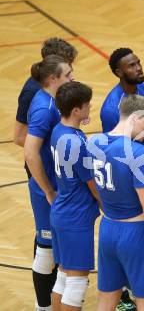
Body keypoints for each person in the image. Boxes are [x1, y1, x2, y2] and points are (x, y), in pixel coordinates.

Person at [88, 95, 144, 311]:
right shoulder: (137, 153)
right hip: (137, 234)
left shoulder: (95, 142)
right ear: (135, 117)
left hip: (108, 229)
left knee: (106, 302)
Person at [24, 55, 74, 310]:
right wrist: (48, 191)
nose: (72, 78)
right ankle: (43, 307)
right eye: (68, 75)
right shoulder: (44, 108)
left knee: (58, 252)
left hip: (58, 189)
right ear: (53, 79)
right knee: (46, 254)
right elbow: (30, 153)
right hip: (47, 192)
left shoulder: (53, 102)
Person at [49, 81, 101, 310]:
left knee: (63, 276)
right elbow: (92, 184)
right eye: (87, 105)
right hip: (76, 217)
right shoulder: (79, 144)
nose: (90, 107)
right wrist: (109, 205)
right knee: (77, 281)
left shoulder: (58, 131)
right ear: (76, 110)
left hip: (61, 210)